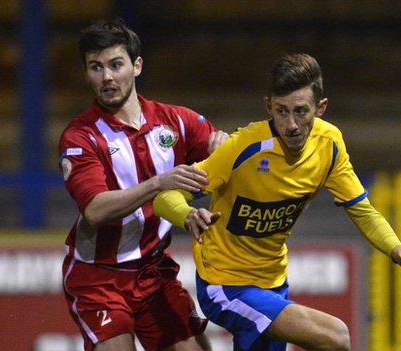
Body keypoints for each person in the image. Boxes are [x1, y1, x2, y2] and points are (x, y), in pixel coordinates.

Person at [153, 53, 401, 350]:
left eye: (301, 111)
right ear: (268, 106)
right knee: (336, 336)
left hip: (273, 284)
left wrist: (395, 247)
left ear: (320, 108)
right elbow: (165, 196)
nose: (292, 124)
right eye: (281, 112)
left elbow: (362, 212)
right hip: (225, 285)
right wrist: (187, 214)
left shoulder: (330, 145)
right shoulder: (243, 147)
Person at [58, 19, 229, 351]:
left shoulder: (176, 120)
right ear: (86, 74)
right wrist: (158, 184)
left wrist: (223, 145)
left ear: (136, 66)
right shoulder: (80, 137)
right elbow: (94, 210)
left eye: (115, 64)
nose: (107, 76)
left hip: (154, 272)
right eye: (96, 67)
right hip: (99, 276)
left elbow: (224, 154)